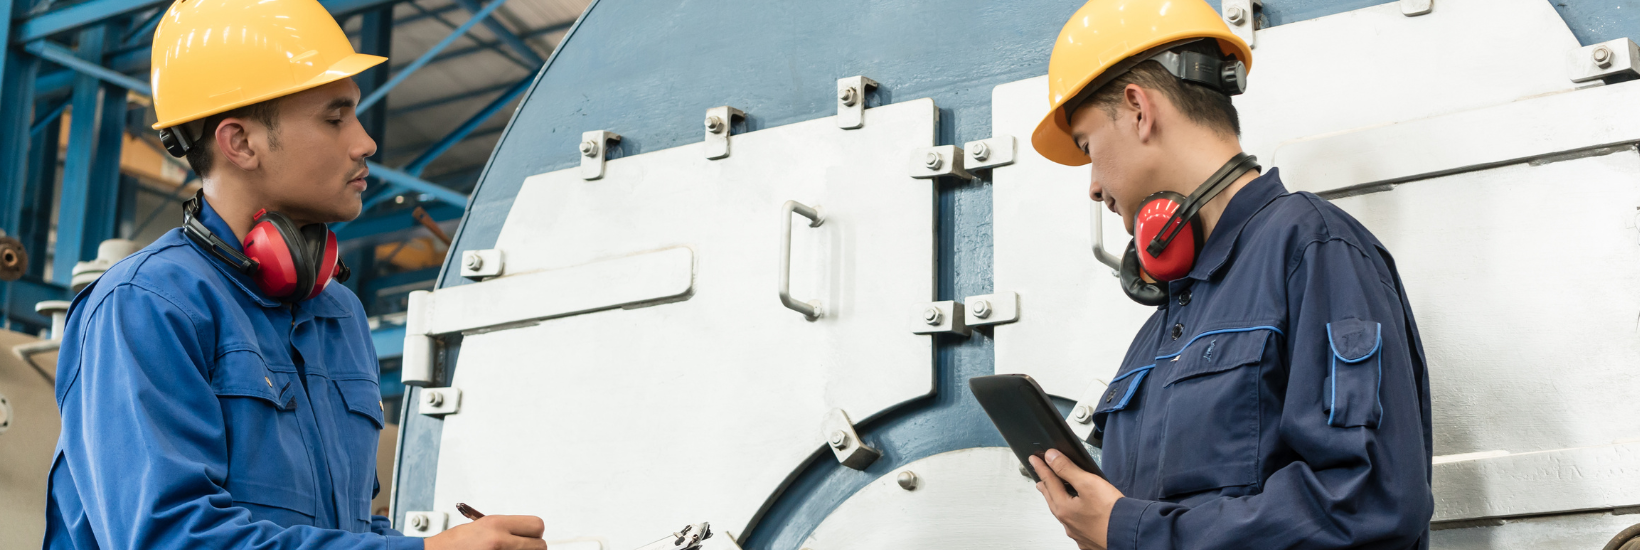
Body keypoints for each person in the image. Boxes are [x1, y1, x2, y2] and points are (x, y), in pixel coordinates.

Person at [43, 0, 545, 548]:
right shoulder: (145, 305)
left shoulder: (337, 313)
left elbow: (350, 527)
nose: (365, 142)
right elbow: (170, 537)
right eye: (335, 117)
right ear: (239, 143)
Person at [1023, 1, 1435, 548]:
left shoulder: (1312, 249)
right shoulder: (1161, 327)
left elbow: (1365, 501)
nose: (1094, 186)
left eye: (1088, 147)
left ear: (1138, 108)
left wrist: (1130, 529)